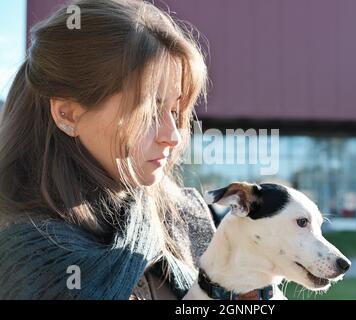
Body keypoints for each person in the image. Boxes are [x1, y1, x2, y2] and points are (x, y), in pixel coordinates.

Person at [0, 0, 215, 300]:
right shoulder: (18, 257)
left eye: (175, 109)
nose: (173, 136)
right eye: (150, 111)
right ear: (68, 114)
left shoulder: (186, 216)